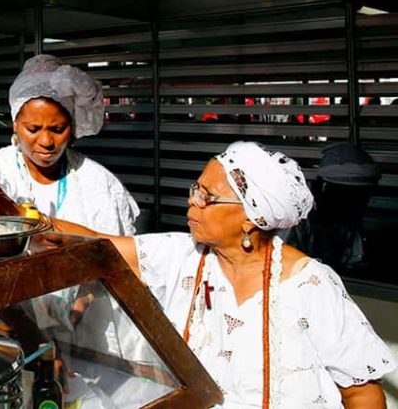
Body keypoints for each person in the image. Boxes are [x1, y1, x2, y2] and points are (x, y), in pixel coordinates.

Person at [47, 141, 394, 409]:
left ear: (250, 217)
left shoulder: (310, 286)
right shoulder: (186, 255)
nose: (192, 202)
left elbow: (362, 393)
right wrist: (23, 217)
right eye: (194, 190)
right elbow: (96, 244)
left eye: (206, 196)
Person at [0, 54, 138, 235]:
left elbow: (116, 251)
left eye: (58, 129)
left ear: (72, 127)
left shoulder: (98, 183)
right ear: (15, 125)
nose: (46, 141)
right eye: (33, 129)